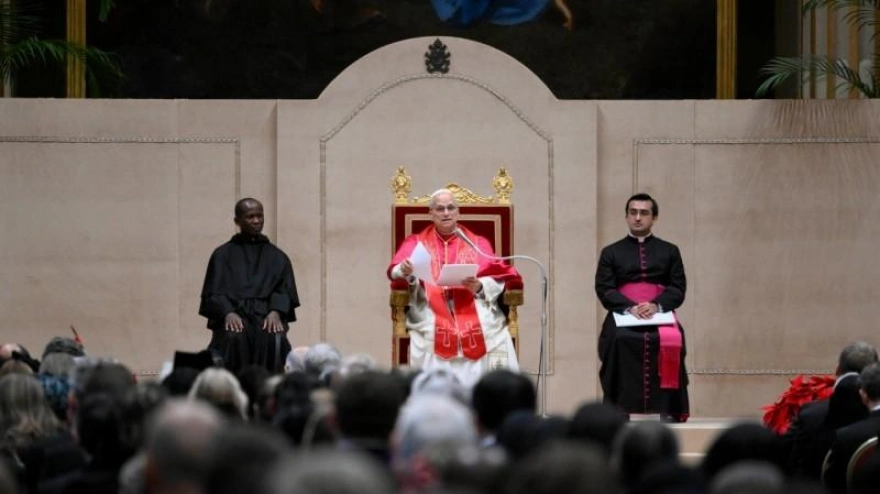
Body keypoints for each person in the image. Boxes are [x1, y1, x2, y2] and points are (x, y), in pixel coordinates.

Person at [388, 189, 522, 388]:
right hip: (430, 306)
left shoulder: (477, 242)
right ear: (431, 213)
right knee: (434, 332)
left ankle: (489, 396)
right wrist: (405, 269)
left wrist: (479, 286)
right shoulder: (415, 242)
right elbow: (395, 271)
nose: (446, 213)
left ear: (458, 212)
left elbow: (499, 275)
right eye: (440, 208)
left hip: (471, 303)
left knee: (491, 330)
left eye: (451, 208)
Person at [595, 193, 689, 421]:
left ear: (654, 218)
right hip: (623, 314)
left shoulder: (670, 251)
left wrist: (656, 305)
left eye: (644, 213)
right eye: (633, 212)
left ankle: (668, 410)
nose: (638, 218)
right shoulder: (610, 252)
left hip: (660, 313)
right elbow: (604, 288)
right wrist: (630, 307)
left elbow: (678, 287)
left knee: (671, 341)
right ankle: (619, 411)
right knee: (619, 340)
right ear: (626, 217)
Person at [200, 198, 300, 374]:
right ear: (237, 221)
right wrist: (227, 312)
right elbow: (213, 293)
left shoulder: (277, 256)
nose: (256, 221)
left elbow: (284, 290)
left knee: (273, 337)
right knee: (233, 336)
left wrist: (275, 312)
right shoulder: (222, 255)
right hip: (235, 315)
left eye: (259, 216)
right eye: (250, 216)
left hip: (266, 315)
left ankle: (269, 391)